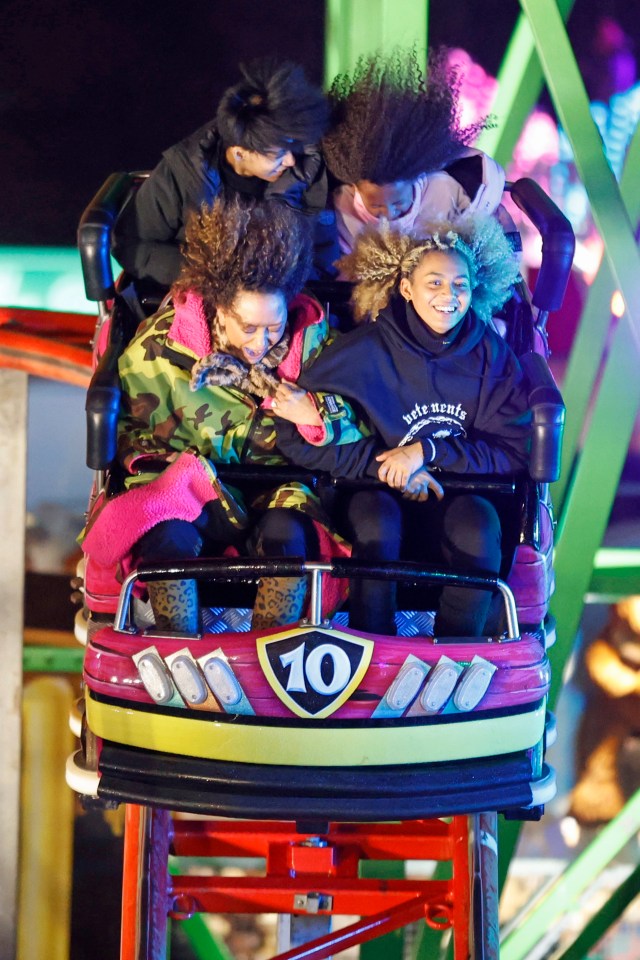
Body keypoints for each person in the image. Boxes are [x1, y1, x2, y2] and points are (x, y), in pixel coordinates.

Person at [82, 198, 370, 633]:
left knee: (289, 536)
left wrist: (313, 413)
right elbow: (127, 438)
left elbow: (363, 420)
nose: (260, 343)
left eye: (273, 328)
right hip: (190, 492)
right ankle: (176, 642)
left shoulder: (315, 346)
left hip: (279, 490)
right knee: (166, 535)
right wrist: (178, 472)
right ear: (217, 306)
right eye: (247, 328)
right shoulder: (156, 352)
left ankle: (268, 652)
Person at [272, 213, 530, 636]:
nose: (449, 295)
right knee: (378, 521)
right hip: (374, 494)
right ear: (407, 288)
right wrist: (385, 467)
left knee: (480, 527)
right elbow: (294, 435)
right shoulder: (366, 350)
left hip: (456, 493)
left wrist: (426, 452)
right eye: (434, 283)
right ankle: (373, 647)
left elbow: (516, 449)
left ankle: (455, 656)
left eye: (459, 284)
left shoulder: (489, 354)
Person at [112, 58, 336, 291]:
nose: (290, 160)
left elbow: (322, 254)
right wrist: (205, 277)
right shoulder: (182, 174)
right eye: (278, 155)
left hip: (282, 302)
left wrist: (281, 287)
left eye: (292, 147)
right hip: (196, 294)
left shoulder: (305, 169)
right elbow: (131, 244)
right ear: (239, 153)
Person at [321, 49, 517, 261]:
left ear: (418, 176)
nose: (388, 214)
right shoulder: (342, 208)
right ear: (354, 187)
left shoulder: (447, 192)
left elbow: (487, 251)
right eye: (376, 206)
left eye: (398, 204)